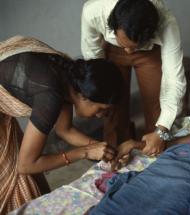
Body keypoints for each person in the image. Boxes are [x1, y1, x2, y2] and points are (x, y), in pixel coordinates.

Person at [0, 36, 121, 213]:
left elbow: (65, 130)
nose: (100, 115)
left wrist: (101, 148)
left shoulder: (69, 74)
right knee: (15, 181)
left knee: (30, 180)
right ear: (84, 96)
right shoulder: (50, 95)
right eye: (100, 109)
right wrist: (85, 152)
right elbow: (26, 165)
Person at [81, 0, 186, 156]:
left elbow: (173, 81)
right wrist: (100, 94)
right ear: (112, 26)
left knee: (156, 102)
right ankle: (115, 155)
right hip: (111, 50)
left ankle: (155, 152)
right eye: (124, 44)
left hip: (149, 54)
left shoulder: (167, 24)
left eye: (134, 46)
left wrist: (161, 131)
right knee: (113, 106)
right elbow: (94, 61)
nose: (129, 52)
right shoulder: (94, 11)